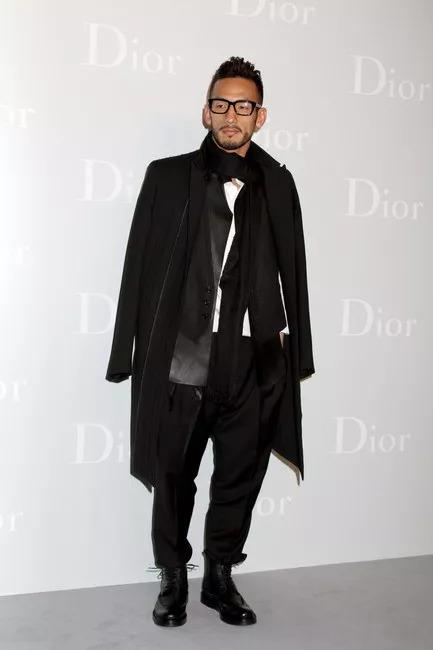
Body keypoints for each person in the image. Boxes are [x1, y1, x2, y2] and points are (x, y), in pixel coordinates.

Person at [105, 55, 315, 627]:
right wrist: (126, 351)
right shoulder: (167, 177)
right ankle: (173, 576)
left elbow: (294, 272)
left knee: (240, 475)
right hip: (184, 353)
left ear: (260, 116)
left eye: (243, 106)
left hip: (252, 355)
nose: (231, 115)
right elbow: (137, 266)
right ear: (206, 111)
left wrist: (296, 354)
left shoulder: (279, 183)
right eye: (221, 104)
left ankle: (220, 577)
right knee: (174, 474)